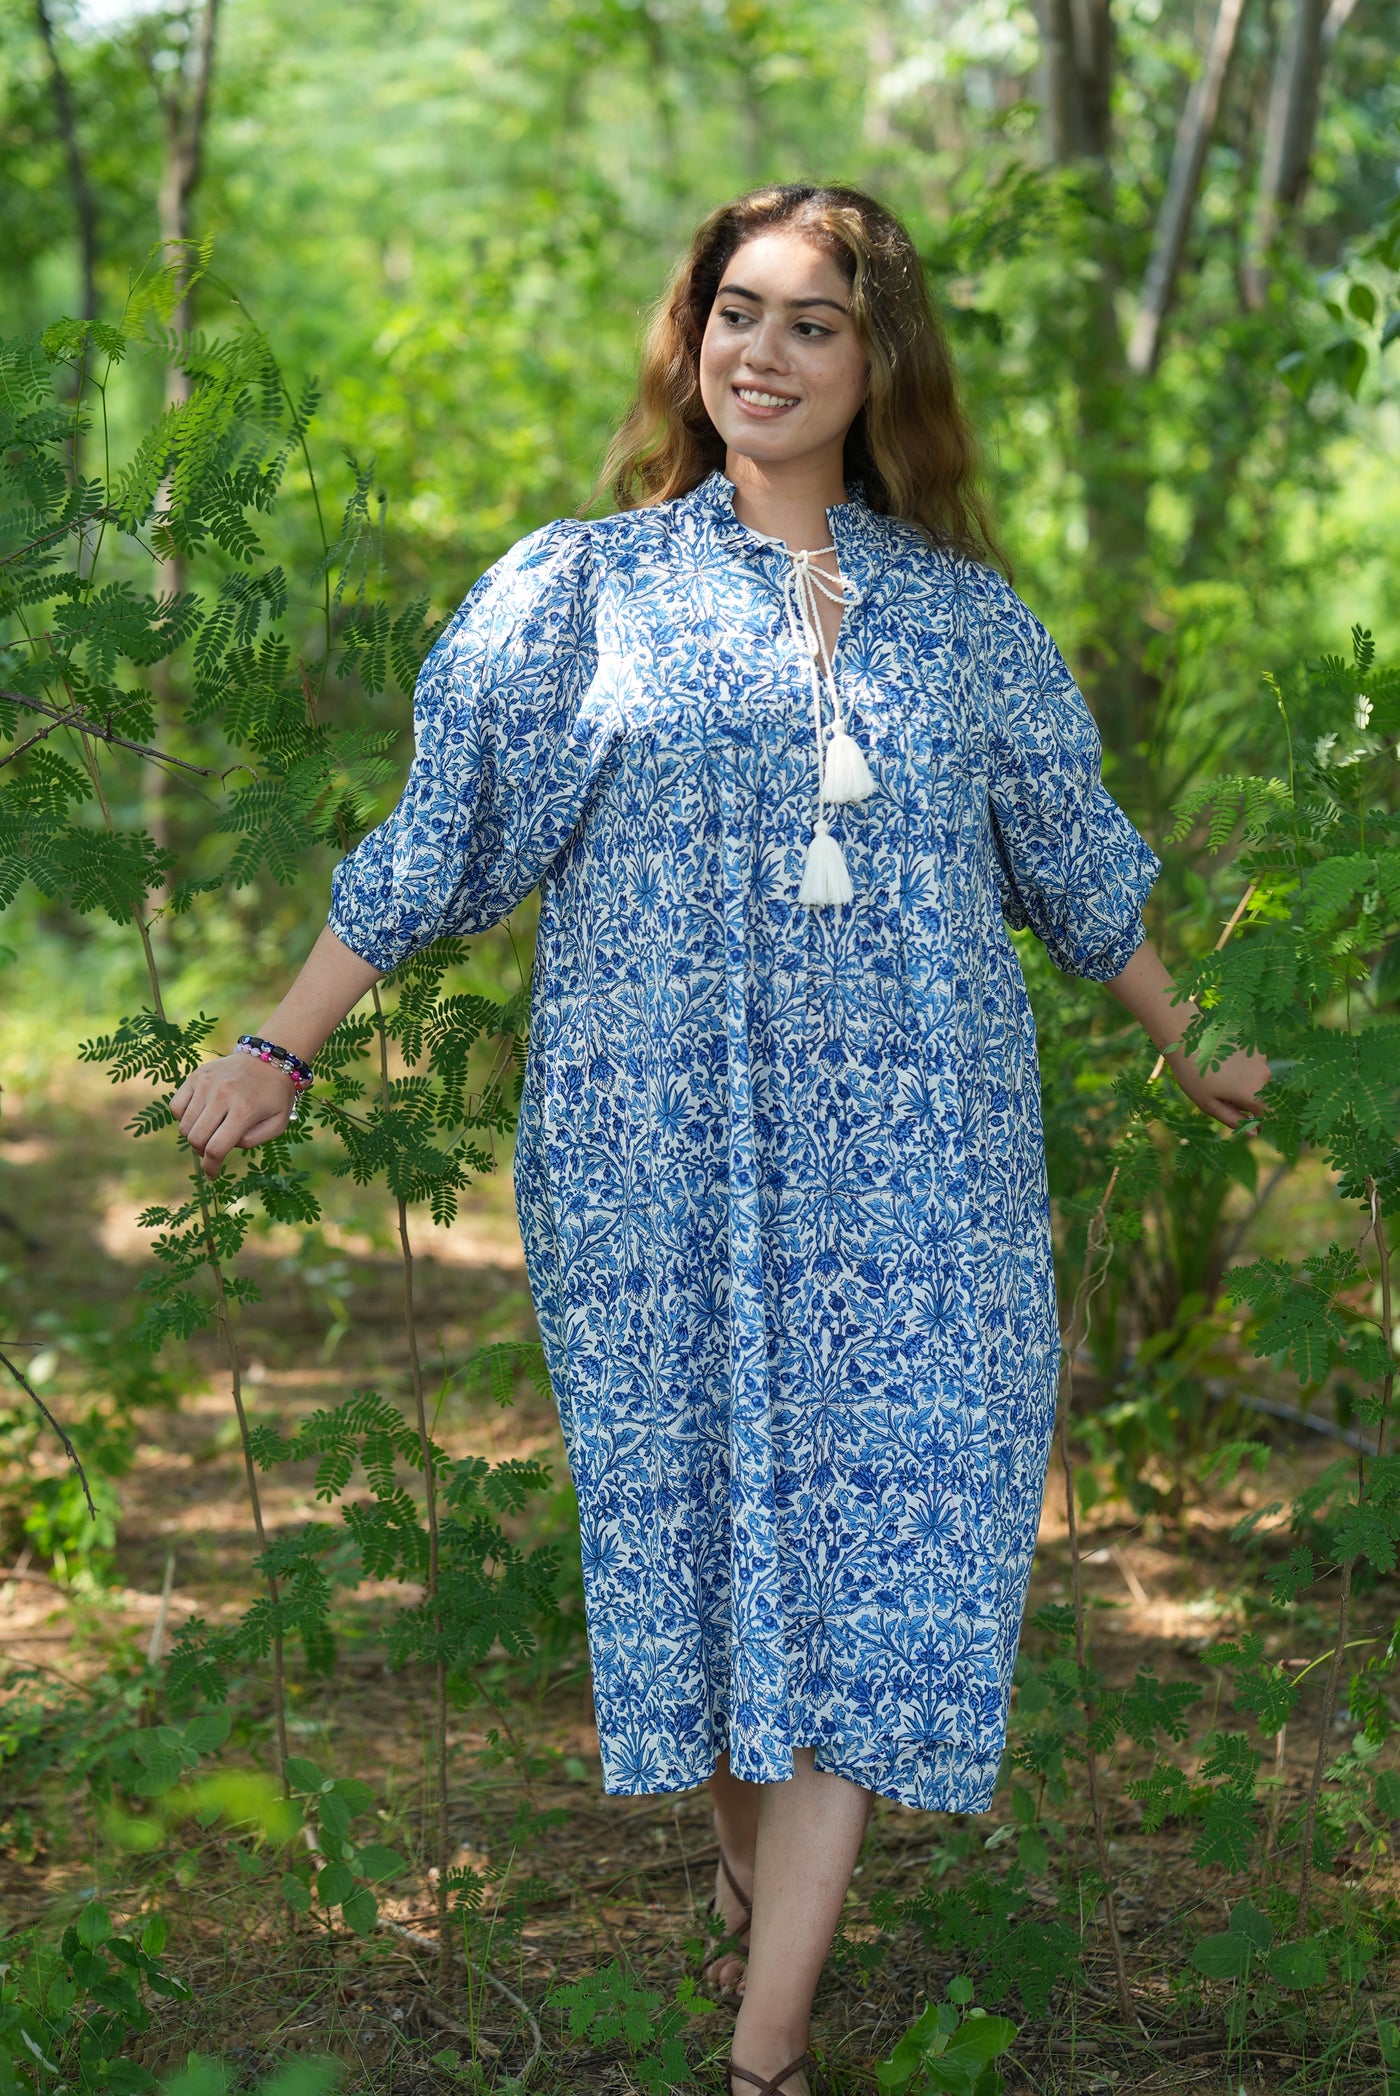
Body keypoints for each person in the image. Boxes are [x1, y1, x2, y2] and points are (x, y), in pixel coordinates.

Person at [170, 183, 1270, 2096]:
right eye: (735, 313)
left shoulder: (968, 626)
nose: (764, 352)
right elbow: (441, 845)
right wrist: (282, 1037)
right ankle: (755, 1903)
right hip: (657, 1157)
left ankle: (765, 2057)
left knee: (891, 1549)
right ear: (693, 343)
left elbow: (1088, 881)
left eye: (814, 322)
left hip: (931, 1168)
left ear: (880, 361)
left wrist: (1206, 1049)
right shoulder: (579, 588)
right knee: (723, 1567)